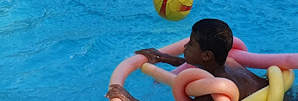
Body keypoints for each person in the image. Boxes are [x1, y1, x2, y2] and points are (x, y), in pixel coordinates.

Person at [108, 19, 268, 101]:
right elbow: (199, 67)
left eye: (190, 44)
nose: (184, 45)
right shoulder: (230, 64)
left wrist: (128, 97)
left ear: (207, 55)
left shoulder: (209, 95)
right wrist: (162, 57)